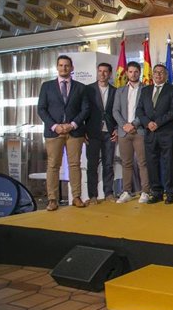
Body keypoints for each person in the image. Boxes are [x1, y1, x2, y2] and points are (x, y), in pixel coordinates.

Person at [37, 55, 89, 211]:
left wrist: (72, 125)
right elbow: (41, 109)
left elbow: (85, 109)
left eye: (67, 65)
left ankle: (77, 197)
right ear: (57, 67)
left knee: (75, 165)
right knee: (53, 166)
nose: (64, 68)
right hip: (54, 132)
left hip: (74, 131)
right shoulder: (46, 86)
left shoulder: (81, 87)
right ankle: (52, 200)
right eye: (61, 65)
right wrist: (55, 126)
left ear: (72, 68)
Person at [136, 64, 173, 204]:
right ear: (152, 74)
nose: (158, 75)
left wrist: (158, 123)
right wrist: (148, 123)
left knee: (169, 163)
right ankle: (156, 192)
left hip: (167, 133)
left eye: (161, 72)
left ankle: (170, 192)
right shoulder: (145, 90)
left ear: (166, 75)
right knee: (152, 164)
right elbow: (139, 111)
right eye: (155, 72)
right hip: (150, 133)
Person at [113, 61, 151, 204]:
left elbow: (146, 111)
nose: (133, 74)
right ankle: (126, 191)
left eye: (136, 71)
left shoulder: (146, 89)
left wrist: (134, 124)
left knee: (143, 163)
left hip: (139, 130)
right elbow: (115, 111)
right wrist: (124, 125)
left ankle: (145, 192)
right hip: (124, 132)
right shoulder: (120, 90)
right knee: (126, 163)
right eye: (130, 71)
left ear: (139, 73)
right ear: (127, 73)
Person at [84, 62, 117, 205]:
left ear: (110, 74)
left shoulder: (116, 91)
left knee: (108, 164)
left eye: (105, 72)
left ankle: (109, 193)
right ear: (97, 72)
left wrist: (116, 128)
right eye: (100, 71)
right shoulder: (88, 90)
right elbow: (83, 111)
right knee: (92, 165)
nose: (102, 74)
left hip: (109, 133)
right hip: (92, 132)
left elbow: (118, 112)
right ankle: (92, 196)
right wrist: (83, 130)